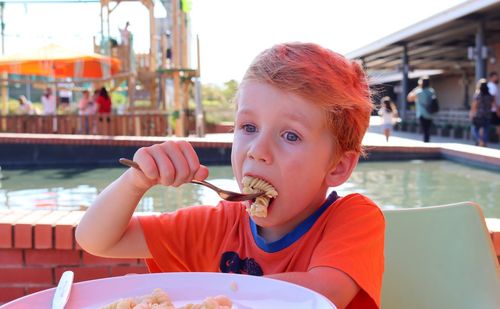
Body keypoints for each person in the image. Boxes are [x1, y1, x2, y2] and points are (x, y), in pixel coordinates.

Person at [76, 43, 385, 309]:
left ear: (338, 167)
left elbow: (320, 292)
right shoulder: (216, 226)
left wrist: (203, 296)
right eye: (248, 128)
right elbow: (98, 240)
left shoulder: (352, 219)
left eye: (290, 136)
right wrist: (136, 181)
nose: (257, 150)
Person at [407, 76, 437, 142]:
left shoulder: (418, 91)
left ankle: (426, 141)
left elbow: (409, 98)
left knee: (424, 129)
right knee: (428, 128)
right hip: (430, 112)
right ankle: (427, 140)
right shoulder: (431, 91)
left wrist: (415, 89)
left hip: (422, 113)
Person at [470, 79, 494, 147]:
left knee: (474, 128)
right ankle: (484, 142)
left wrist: (472, 114)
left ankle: (480, 141)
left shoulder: (478, 95)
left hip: (479, 115)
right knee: (486, 129)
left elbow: (474, 105)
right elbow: (492, 105)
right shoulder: (490, 95)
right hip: (488, 114)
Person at [487, 71, 499, 142]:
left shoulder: (489, 86)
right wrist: (497, 109)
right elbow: (492, 99)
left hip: (489, 109)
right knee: (498, 124)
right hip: (493, 110)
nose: (497, 78)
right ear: (491, 77)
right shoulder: (492, 86)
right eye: (495, 77)